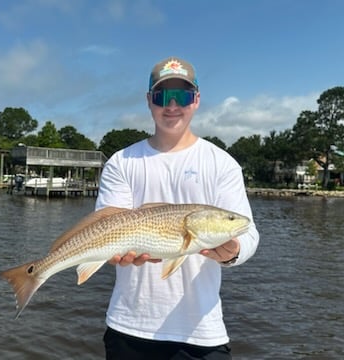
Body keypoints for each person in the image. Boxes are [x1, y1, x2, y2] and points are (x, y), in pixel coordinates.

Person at [95, 56, 260, 360]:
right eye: (162, 96)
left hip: (201, 333)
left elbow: (248, 232)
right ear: (149, 101)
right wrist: (113, 255)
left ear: (196, 100)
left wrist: (233, 251)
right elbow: (106, 227)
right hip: (128, 328)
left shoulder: (222, 164)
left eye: (182, 96)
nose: (172, 105)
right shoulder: (121, 162)